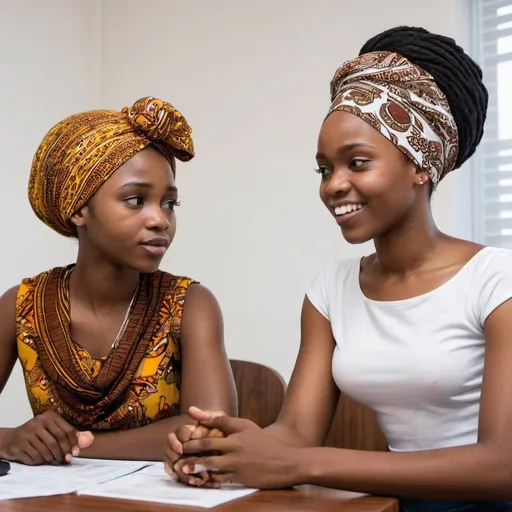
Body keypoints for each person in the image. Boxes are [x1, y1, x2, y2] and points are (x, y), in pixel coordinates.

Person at [166, 26, 512, 511]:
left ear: (421, 166)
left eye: (358, 162)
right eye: (325, 169)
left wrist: (301, 464)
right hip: (396, 505)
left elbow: (503, 467)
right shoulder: (331, 290)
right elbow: (296, 433)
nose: (334, 185)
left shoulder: (496, 280)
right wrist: (226, 448)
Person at [0, 96, 237, 466]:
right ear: (78, 208)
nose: (160, 219)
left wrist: (75, 447)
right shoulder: (21, 306)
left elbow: (212, 431)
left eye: (169, 203)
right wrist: (10, 439)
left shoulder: (190, 304)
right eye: (136, 200)